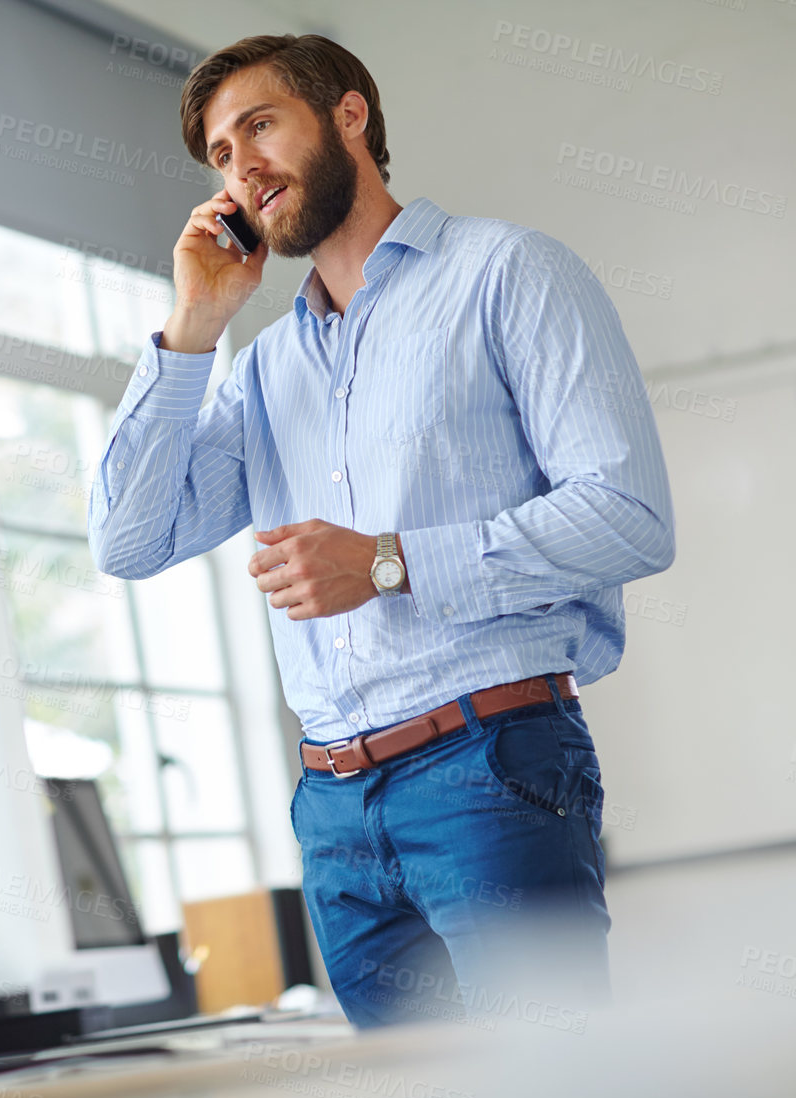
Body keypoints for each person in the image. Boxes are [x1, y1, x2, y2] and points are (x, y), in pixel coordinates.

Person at [87, 34, 675, 1029]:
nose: (242, 169)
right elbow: (129, 538)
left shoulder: (508, 273)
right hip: (332, 814)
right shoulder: (265, 369)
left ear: (348, 114)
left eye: (258, 126)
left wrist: (387, 561)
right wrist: (193, 326)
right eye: (222, 158)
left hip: (489, 770)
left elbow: (629, 515)